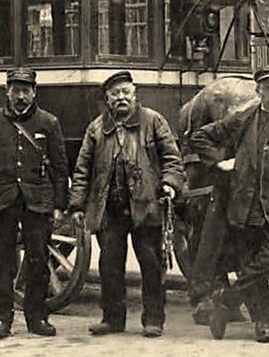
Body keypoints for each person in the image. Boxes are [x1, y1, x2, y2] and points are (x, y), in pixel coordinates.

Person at [189, 67, 269, 343]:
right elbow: (200, 136)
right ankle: (263, 325)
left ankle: (226, 298)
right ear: (257, 91)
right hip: (246, 206)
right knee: (251, 263)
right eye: (266, 88)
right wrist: (219, 161)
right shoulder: (243, 119)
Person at [69, 70, 185, 338]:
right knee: (109, 264)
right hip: (109, 208)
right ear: (107, 99)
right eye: (115, 94)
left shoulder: (154, 121)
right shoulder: (96, 128)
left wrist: (169, 183)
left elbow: (172, 158)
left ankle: (153, 320)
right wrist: (77, 205)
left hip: (146, 207)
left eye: (126, 93)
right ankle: (112, 319)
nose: (121, 98)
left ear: (135, 96)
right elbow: (82, 169)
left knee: (151, 263)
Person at [0, 68, 68, 340]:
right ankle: (2, 319)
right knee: (1, 263)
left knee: (38, 261)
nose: (20, 96)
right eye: (16, 90)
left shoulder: (49, 122)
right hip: (1, 201)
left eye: (26, 90)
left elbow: (60, 169)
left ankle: (37, 318)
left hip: (37, 203)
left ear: (35, 92)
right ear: (7, 92)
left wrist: (59, 206)